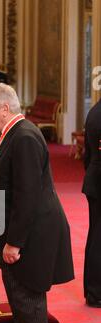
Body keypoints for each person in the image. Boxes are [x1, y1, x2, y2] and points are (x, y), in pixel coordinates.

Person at [0, 83, 74, 323]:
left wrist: (13, 242)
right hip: (13, 231)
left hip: (32, 234)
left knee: (28, 295)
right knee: (19, 295)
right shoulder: (12, 134)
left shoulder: (23, 137)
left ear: (5, 108)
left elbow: (27, 195)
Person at [82, 98, 101, 308]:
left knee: (95, 234)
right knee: (98, 237)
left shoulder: (94, 111)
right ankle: (96, 292)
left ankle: (92, 289)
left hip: (94, 178)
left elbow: (87, 154)